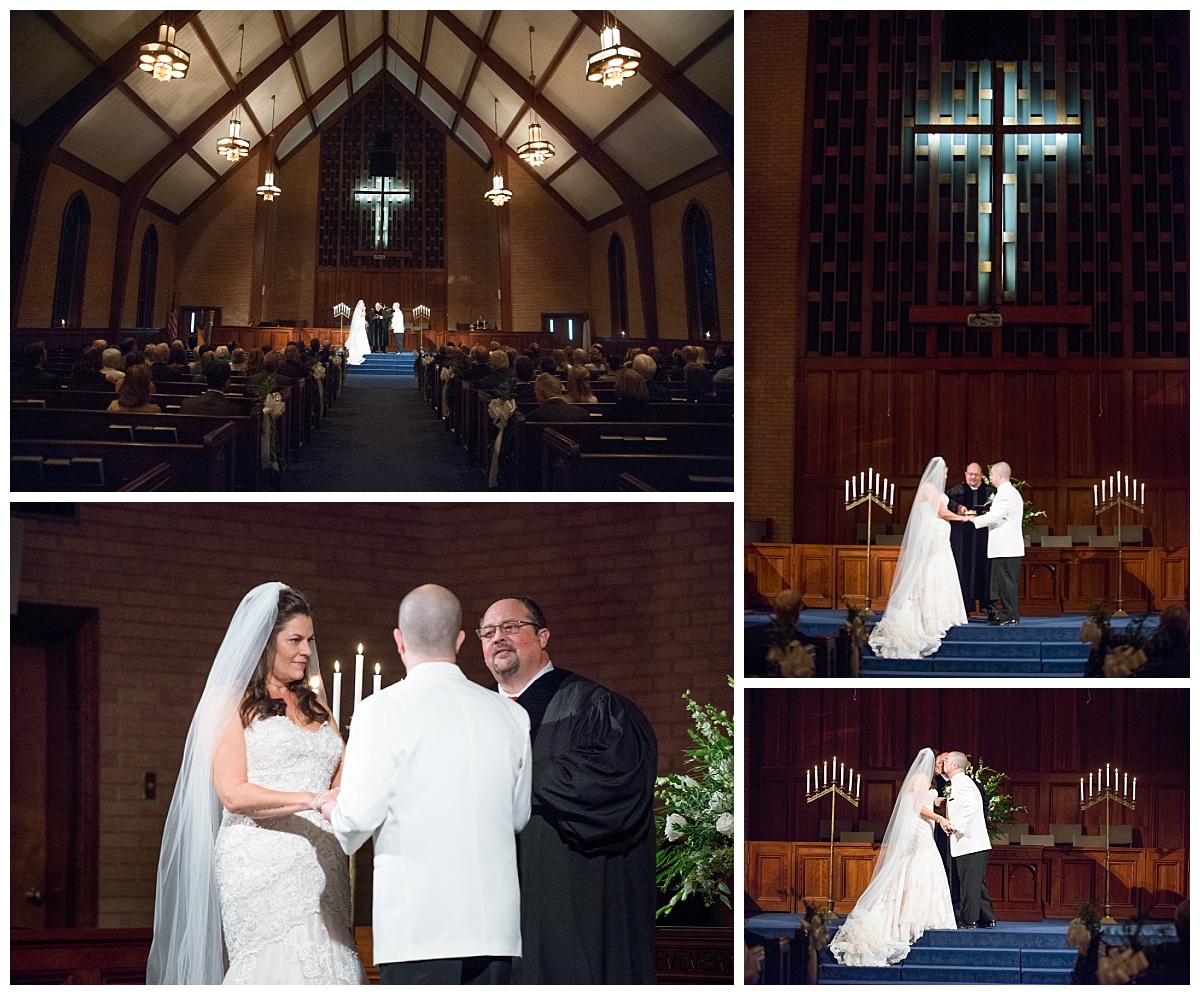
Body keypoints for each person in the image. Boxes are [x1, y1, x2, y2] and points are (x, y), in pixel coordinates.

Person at [146, 583, 366, 984]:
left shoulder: (315, 703)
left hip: (324, 858)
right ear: (265, 643)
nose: (306, 651)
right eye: (295, 640)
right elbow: (232, 792)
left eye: (310, 640)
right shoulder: (227, 699)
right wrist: (312, 799)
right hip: (262, 859)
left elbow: (343, 778)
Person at [323, 585, 532, 985]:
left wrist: (332, 806)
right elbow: (518, 816)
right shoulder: (511, 715)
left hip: (419, 928)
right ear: (459, 639)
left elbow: (358, 817)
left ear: (398, 640)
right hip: (495, 930)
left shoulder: (379, 711)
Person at [478, 597, 657, 983]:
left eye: (511, 627)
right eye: (488, 632)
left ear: (543, 636)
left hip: (566, 902)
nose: (498, 638)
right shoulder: (471, 715)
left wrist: (514, 776)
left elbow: (613, 782)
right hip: (486, 912)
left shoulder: (595, 708)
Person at [829, 748, 957, 966]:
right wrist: (940, 819)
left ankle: (922, 914)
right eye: (938, 762)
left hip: (925, 827)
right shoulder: (920, 777)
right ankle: (909, 917)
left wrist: (942, 802)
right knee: (922, 865)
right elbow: (916, 806)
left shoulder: (930, 781)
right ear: (929, 762)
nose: (941, 766)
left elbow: (926, 801)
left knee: (921, 866)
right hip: (917, 828)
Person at [867, 457, 970, 658]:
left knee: (940, 568)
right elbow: (941, 511)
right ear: (939, 471)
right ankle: (928, 614)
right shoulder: (929, 488)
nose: (946, 476)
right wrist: (963, 518)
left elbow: (945, 506)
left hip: (940, 536)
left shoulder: (936, 490)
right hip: (932, 534)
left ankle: (942, 611)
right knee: (930, 568)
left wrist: (959, 509)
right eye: (945, 473)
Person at [943, 751, 995, 929]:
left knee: (970, 882)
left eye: (947, 760)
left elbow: (971, 807)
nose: (943, 762)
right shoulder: (959, 782)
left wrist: (956, 826)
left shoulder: (962, 782)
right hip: (970, 843)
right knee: (975, 881)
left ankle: (969, 919)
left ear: (955, 765)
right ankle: (987, 917)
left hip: (970, 842)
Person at [970, 461, 1025, 625]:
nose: (990, 478)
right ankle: (1008, 614)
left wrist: (973, 519)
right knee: (1005, 583)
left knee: (1007, 584)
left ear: (999, 475)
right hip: (1006, 548)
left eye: (992, 475)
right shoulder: (1008, 492)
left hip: (1006, 548)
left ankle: (1010, 616)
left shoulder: (1005, 493)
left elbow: (994, 517)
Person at [947, 463, 996, 618]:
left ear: (981, 475)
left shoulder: (990, 492)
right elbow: (943, 502)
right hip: (962, 537)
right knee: (963, 569)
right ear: (965, 474)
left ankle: (988, 606)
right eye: (970, 474)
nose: (973, 477)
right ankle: (965, 608)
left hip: (984, 537)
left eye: (976, 474)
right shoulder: (956, 491)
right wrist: (958, 507)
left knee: (986, 569)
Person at [525, 373, 592, 422]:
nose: (535, 396)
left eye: (536, 390)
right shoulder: (582, 414)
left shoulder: (533, 417)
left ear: (542, 392)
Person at [345, 300, 369, 366]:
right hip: (359, 328)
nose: (364, 306)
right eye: (363, 305)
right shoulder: (358, 311)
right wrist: (364, 310)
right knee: (359, 338)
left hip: (362, 327)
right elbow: (362, 315)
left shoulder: (359, 311)